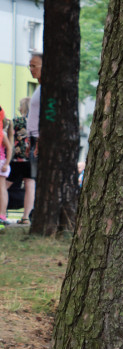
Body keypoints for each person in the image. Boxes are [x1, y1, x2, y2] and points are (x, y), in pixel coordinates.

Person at [21, 53, 42, 224]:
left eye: (35, 65)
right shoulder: (39, 88)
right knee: (34, 178)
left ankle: (38, 213)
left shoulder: (48, 88)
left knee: (38, 179)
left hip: (40, 140)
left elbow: (49, 116)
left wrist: (41, 139)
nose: (31, 69)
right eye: (30, 65)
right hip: (34, 140)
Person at [0, 109, 11, 226]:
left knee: (1, 188)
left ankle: (2, 214)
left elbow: (9, 148)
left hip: (1, 163)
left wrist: (6, 163)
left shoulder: (2, 134)